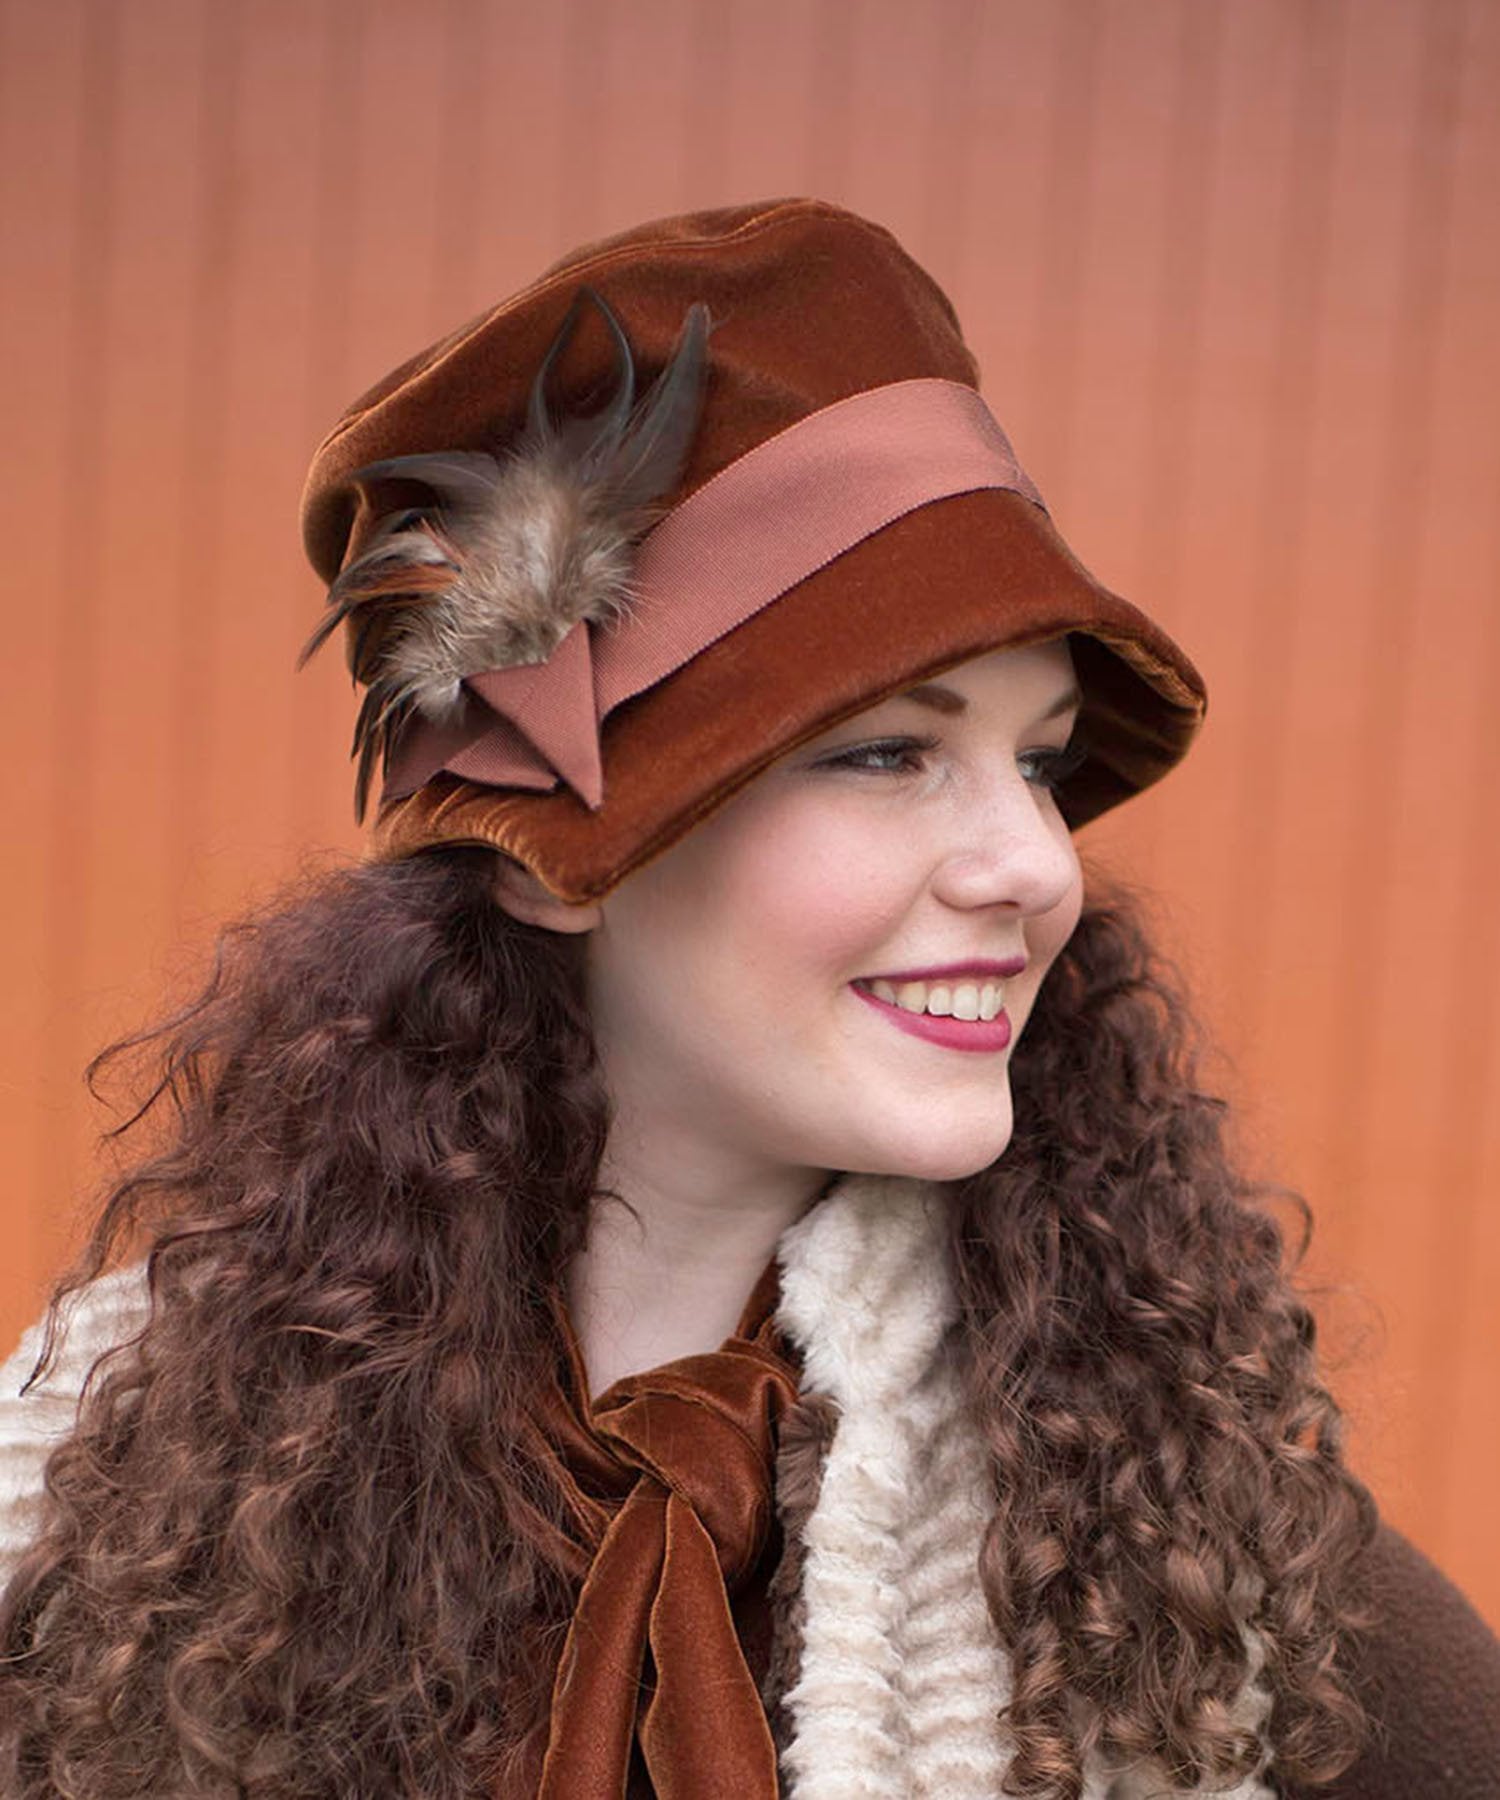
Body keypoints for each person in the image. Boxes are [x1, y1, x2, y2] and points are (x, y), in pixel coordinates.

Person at [1, 197, 1496, 1799]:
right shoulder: (126, 1508)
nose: (1036, 864)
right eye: (885, 752)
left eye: (1040, 761)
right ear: (553, 862)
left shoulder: (1183, 1559)